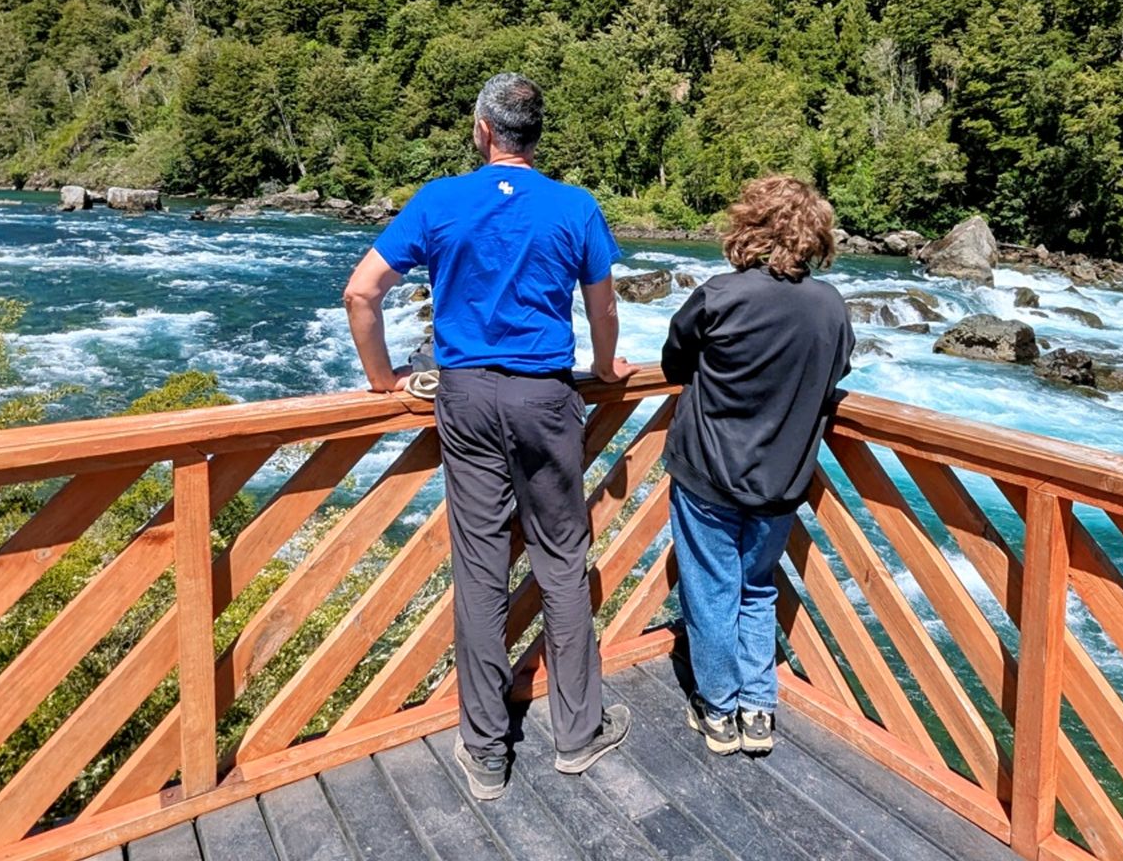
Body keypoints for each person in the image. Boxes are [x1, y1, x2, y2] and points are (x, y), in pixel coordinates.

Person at [342, 72, 636, 800]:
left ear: (482, 130)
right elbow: (603, 311)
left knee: (478, 568)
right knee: (562, 562)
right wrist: (604, 367)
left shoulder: (442, 198)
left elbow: (361, 292)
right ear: (537, 137)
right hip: (545, 394)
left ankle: (485, 751)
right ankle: (577, 734)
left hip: (466, 396)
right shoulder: (574, 206)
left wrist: (382, 380)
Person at [660, 175, 854, 756]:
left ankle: (718, 711)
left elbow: (675, 363)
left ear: (750, 226)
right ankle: (757, 712)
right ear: (814, 234)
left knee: (710, 590)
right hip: (783, 479)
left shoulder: (721, 294)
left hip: (710, 473)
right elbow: (834, 378)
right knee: (756, 588)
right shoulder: (831, 306)